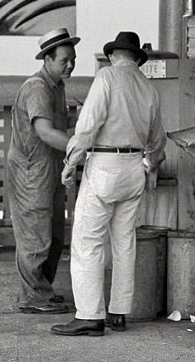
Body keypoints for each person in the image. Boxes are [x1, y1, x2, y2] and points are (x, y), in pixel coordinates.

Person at [52, 32, 167, 337]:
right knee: (124, 240)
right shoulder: (148, 87)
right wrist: (151, 164)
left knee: (87, 242)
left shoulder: (107, 77)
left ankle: (89, 315)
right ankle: (119, 310)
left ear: (115, 55)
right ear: (136, 59)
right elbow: (158, 139)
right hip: (134, 169)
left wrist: (71, 161)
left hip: (105, 165)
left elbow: (88, 126)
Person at [7, 27, 79, 314]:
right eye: (64, 60)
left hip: (49, 168)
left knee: (54, 234)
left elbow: (60, 129)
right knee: (35, 235)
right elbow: (47, 133)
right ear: (48, 60)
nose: (70, 64)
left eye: (73, 59)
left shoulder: (57, 86)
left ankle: (43, 290)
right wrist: (80, 147)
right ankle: (31, 296)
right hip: (31, 171)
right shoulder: (37, 87)